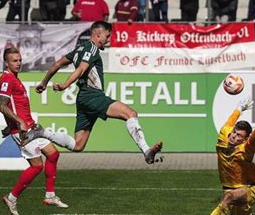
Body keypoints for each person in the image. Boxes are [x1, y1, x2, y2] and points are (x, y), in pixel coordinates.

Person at [23, 21, 163, 164]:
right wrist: (65, 85)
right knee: (131, 114)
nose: (108, 40)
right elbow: (82, 69)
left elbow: (57, 64)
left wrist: (44, 82)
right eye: (107, 36)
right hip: (92, 95)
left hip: (83, 98)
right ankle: (146, 150)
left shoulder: (79, 49)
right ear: (98, 35)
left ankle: (43, 132)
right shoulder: (92, 49)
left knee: (78, 145)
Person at [0, 47, 69, 215]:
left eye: (20, 60)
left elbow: (13, 106)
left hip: (31, 127)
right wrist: (18, 123)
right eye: (14, 61)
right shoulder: (6, 79)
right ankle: (11, 197)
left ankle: (50, 196)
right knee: (37, 166)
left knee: (53, 155)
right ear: (6, 63)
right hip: (23, 131)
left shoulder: (15, 79)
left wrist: (11, 125)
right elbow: (2, 106)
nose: (18, 63)